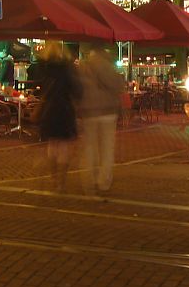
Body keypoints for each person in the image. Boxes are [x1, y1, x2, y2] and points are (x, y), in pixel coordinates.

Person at [78, 47, 124, 196]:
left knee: (90, 147)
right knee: (107, 147)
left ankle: (89, 179)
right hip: (108, 111)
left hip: (89, 110)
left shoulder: (83, 67)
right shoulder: (108, 66)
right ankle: (104, 181)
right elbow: (117, 86)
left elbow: (79, 89)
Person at [37, 44, 81, 192]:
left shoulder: (44, 70)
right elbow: (76, 90)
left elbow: (41, 90)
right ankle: (61, 182)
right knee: (63, 148)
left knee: (52, 146)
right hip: (65, 110)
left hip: (49, 110)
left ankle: (54, 177)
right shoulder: (68, 70)